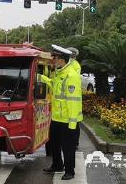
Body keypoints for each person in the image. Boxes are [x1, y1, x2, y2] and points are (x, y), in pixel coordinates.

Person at [40, 45, 83, 181]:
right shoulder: (60, 73)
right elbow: (54, 86)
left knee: (68, 147)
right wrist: (41, 78)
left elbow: (73, 101)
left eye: (56, 58)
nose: (54, 60)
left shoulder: (71, 76)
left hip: (68, 121)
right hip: (57, 118)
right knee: (54, 144)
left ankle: (70, 171)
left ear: (62, 60)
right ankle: (57, 165)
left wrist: (72, 124)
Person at [67, 47, 81, 148]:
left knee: (74, 123)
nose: (71, 56)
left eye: (73, 55)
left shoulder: (76, 65)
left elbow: (73, 79)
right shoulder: (66, 63)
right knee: (72, 123)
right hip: (70, 99)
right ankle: (72, 142)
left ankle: (75, 143)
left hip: (73, 97)